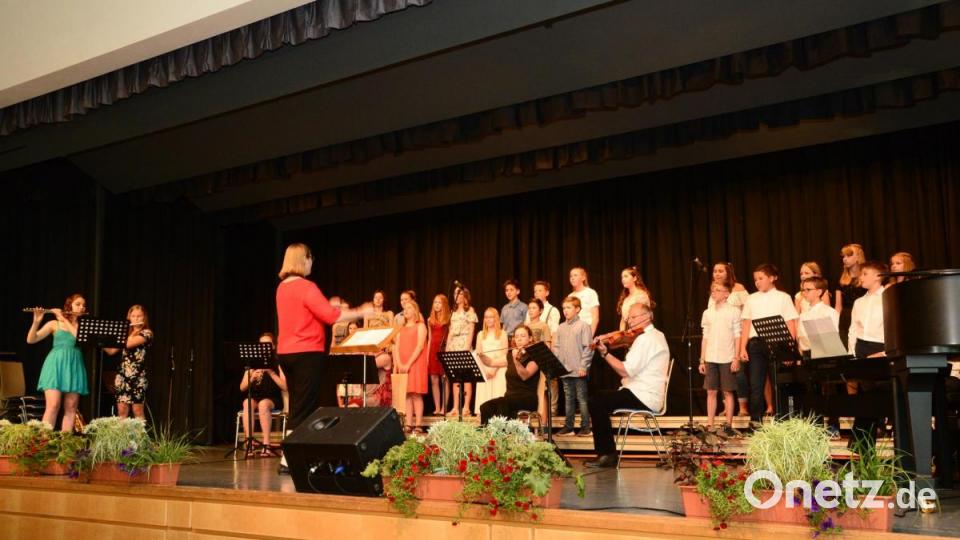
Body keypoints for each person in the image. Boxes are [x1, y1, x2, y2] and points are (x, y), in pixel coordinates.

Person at [275, 243, 370, 431]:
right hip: (306, 353)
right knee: (304, 410)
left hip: (286, 352)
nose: (312, 263)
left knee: (297, 405)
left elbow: (306, 314)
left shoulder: (281, 288)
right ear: (304, 259)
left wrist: (329, 306)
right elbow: (331, 316)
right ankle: (292, 456)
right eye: (311, 258)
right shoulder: (306, 286)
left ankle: (294, 454)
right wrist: (361, 311)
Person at [585, 302, 669, 468]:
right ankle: (606, 453)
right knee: (599, 398)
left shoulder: (646, 339)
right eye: (628, 318)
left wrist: (605, 353)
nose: (630, 321)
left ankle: (607, 455)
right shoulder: (657, 335)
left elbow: (625, 371)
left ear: (647, 316)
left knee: (596, 401)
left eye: (633, 317)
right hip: (644, 393)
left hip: (643, 395)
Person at [738, 264, 799, 422]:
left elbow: (791, 324)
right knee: (756, 384)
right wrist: (742, 348)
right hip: (756, 345)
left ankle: (782, 419)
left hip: (778, 344)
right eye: (755, 279)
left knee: (778, 383)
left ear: (772, 278)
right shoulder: (751, 299)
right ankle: (756, 420)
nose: (757, 282)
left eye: (761, 278)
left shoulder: (783, 297)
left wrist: (789, 350)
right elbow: (746, 324)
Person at [26, 294, 89, 431]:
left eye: (83, 305)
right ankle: (43, 443)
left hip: (74, 365)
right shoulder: (54, 324)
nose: (81, 307)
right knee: (53, 405)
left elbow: (77, 336)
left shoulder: (84, 325)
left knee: (71, 407)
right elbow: (31, 340)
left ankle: (65, 444)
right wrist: (37, 321)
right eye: (78, 304)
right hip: (55, 365)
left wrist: (63, 318)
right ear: (69, 305)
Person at [710, 262, 749, 415]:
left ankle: (743, 407)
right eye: (715, 271)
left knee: (738, 373)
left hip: (736, 335)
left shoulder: (738, 288)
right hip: (719, 339)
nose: (717, 274)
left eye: (721, 271)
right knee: (721, 375)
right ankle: (727, 406)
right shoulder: (713, 291)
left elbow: (748, 309)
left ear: (728, 273)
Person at [478, 325, 540, 424]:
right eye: (517, 336)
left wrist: (516, 361)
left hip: (526, 399)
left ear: (530, 338)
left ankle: (503, 434)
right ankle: (488, 433)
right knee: (485, 407)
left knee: (503, 405)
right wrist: (481, 356)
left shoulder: (535, 356)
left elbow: (525, 375)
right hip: (510, 398)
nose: (519, 339)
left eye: (523, 336)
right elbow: (491, 362)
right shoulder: (511, 355)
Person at [699, 283, 740, 431]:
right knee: (711, 391)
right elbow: (705, 337)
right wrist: (702, 359)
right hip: (711, 357)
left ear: (727, 293)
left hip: (727, 357)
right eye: (713, 290)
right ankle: (710, 424)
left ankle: (728, 424)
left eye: (718, 290)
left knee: (728, 391)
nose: (714, 293)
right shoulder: (707, 313)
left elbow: (737, 336)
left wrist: (736, 358)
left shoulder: (734, 312)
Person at [239, 333, 288, 454]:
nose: (264, 347)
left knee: (263, 404)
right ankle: (249, 442)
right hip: (256, 396)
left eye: (267, 345)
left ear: (273, 346)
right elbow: (242, 388)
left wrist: (271, 373)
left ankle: (266, 444)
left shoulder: (278, 363)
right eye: (261, 345)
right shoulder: (253, 363)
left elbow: (285, 386)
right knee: (247, 402)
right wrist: (251, 378)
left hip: (272, 398)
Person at [104, 304, 154, 420]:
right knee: (121, 411)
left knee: (137, 411)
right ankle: (123, 438)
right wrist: (100, 342)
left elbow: (128, 344)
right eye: (133, 316)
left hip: (138, 377)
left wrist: (118, 335)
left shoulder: (147, 333)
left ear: (144, 318)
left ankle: (139, 438)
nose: (136, 319)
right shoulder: (125, 335)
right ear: (129, 318)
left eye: (139, 316)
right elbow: (111, 351)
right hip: (122, 376)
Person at [554, 296, 593, 437]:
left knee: (582, 399)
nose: (565, 311)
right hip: (565, 370)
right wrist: (558, 365)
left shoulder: (583, 326)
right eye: (564, 308)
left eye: (569, 307)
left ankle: (586, 427)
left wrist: (584, 366)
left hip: (579, 370)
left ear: (577, 309)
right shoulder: (560, 327)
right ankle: (569, 427)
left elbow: (588, 348)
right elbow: (557, 348)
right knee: (568, 398)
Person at [394, 300, 429, 432]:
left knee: (416, 394)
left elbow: (420, 346)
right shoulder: (400, 329)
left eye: (409, 308)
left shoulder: (420, 326)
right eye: (405, 308)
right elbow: (396, 347)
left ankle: (418, 424)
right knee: (407, 394)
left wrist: (408, 363)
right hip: (403, 364)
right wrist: (398, 363)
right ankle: (408, 423)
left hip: (415, 363)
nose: (406, 310)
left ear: (415, 310)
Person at [447, 288, 478, 416]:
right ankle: (455, 407)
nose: (457, 296)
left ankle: (466, 406)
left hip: (464, 344)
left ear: (465, 295)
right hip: (454, 345)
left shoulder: (469, 310)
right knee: (455, 379)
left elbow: (471, 330)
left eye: (459, 293)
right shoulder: (452, 312)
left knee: (466, 378)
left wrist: (467, 348)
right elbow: (450, 331)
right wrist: (448, 347)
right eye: (455, 293)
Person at [474, 307, 509, 416]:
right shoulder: (480, 334)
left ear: (496, 318)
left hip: (498, 370)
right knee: (484, 399)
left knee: (498, 399)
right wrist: (485, 370)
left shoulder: (503, 334)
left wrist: (493, 370)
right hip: (484, 371)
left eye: (491, 317)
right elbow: (478, 354)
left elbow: (504, 355)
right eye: (486, 317)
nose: (488, 319)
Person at [848, 261, 887, 358]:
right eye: (861, 274)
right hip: (860, 347)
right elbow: (853, 329)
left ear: (878, 276)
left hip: (879, 347)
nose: (860, 278)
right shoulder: (858, 302)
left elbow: (895, 330)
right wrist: (852, 352)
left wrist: (884, 353)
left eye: (865, 274)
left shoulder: (888, 298)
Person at [797, 276, 840, 357]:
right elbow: (801, 339)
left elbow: (832, 339)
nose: (804, 292)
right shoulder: (803, 315)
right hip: (806, 355)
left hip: (824, 355)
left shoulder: (829, 312)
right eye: (803, 290)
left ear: (819, 292)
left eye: (808, 290)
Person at [834, 243, 867, 346]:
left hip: (862, 316)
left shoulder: (865, 277)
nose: (845, 259)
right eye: (843, 256)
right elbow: (838, 305)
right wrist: (836, 322)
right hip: (846, 317)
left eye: (849, 255)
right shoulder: (841, 279)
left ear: (858, 256)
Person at [426, 294, 451, 415]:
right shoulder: (430, 320)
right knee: (434, 379)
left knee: (444, 379)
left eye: (439, 302)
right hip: (433, 351)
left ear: (444, 304)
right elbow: (429, 339)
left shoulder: (448, 318)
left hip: (444, 350)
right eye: (435, 302)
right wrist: (427, 356)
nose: (436, 305)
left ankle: (443, 407)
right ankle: (437, 407)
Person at [616, 266, 653, 331]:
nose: (623, 279)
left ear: (634, 278)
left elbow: (643, 319)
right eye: (622, 277)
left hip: (639, 331)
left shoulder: (641, 296)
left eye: (626, 276)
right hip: (629, 333)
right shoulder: (626, 299)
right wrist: (622, 335)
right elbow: (623, 320)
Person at [568, 267, 600, 336]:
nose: (572, 278)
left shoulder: (590, 292)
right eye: (571, 276)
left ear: (583, 278)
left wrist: (590, 335)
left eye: (575, 275)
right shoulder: (570, 296)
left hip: (585, 330)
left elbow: (595, 317)